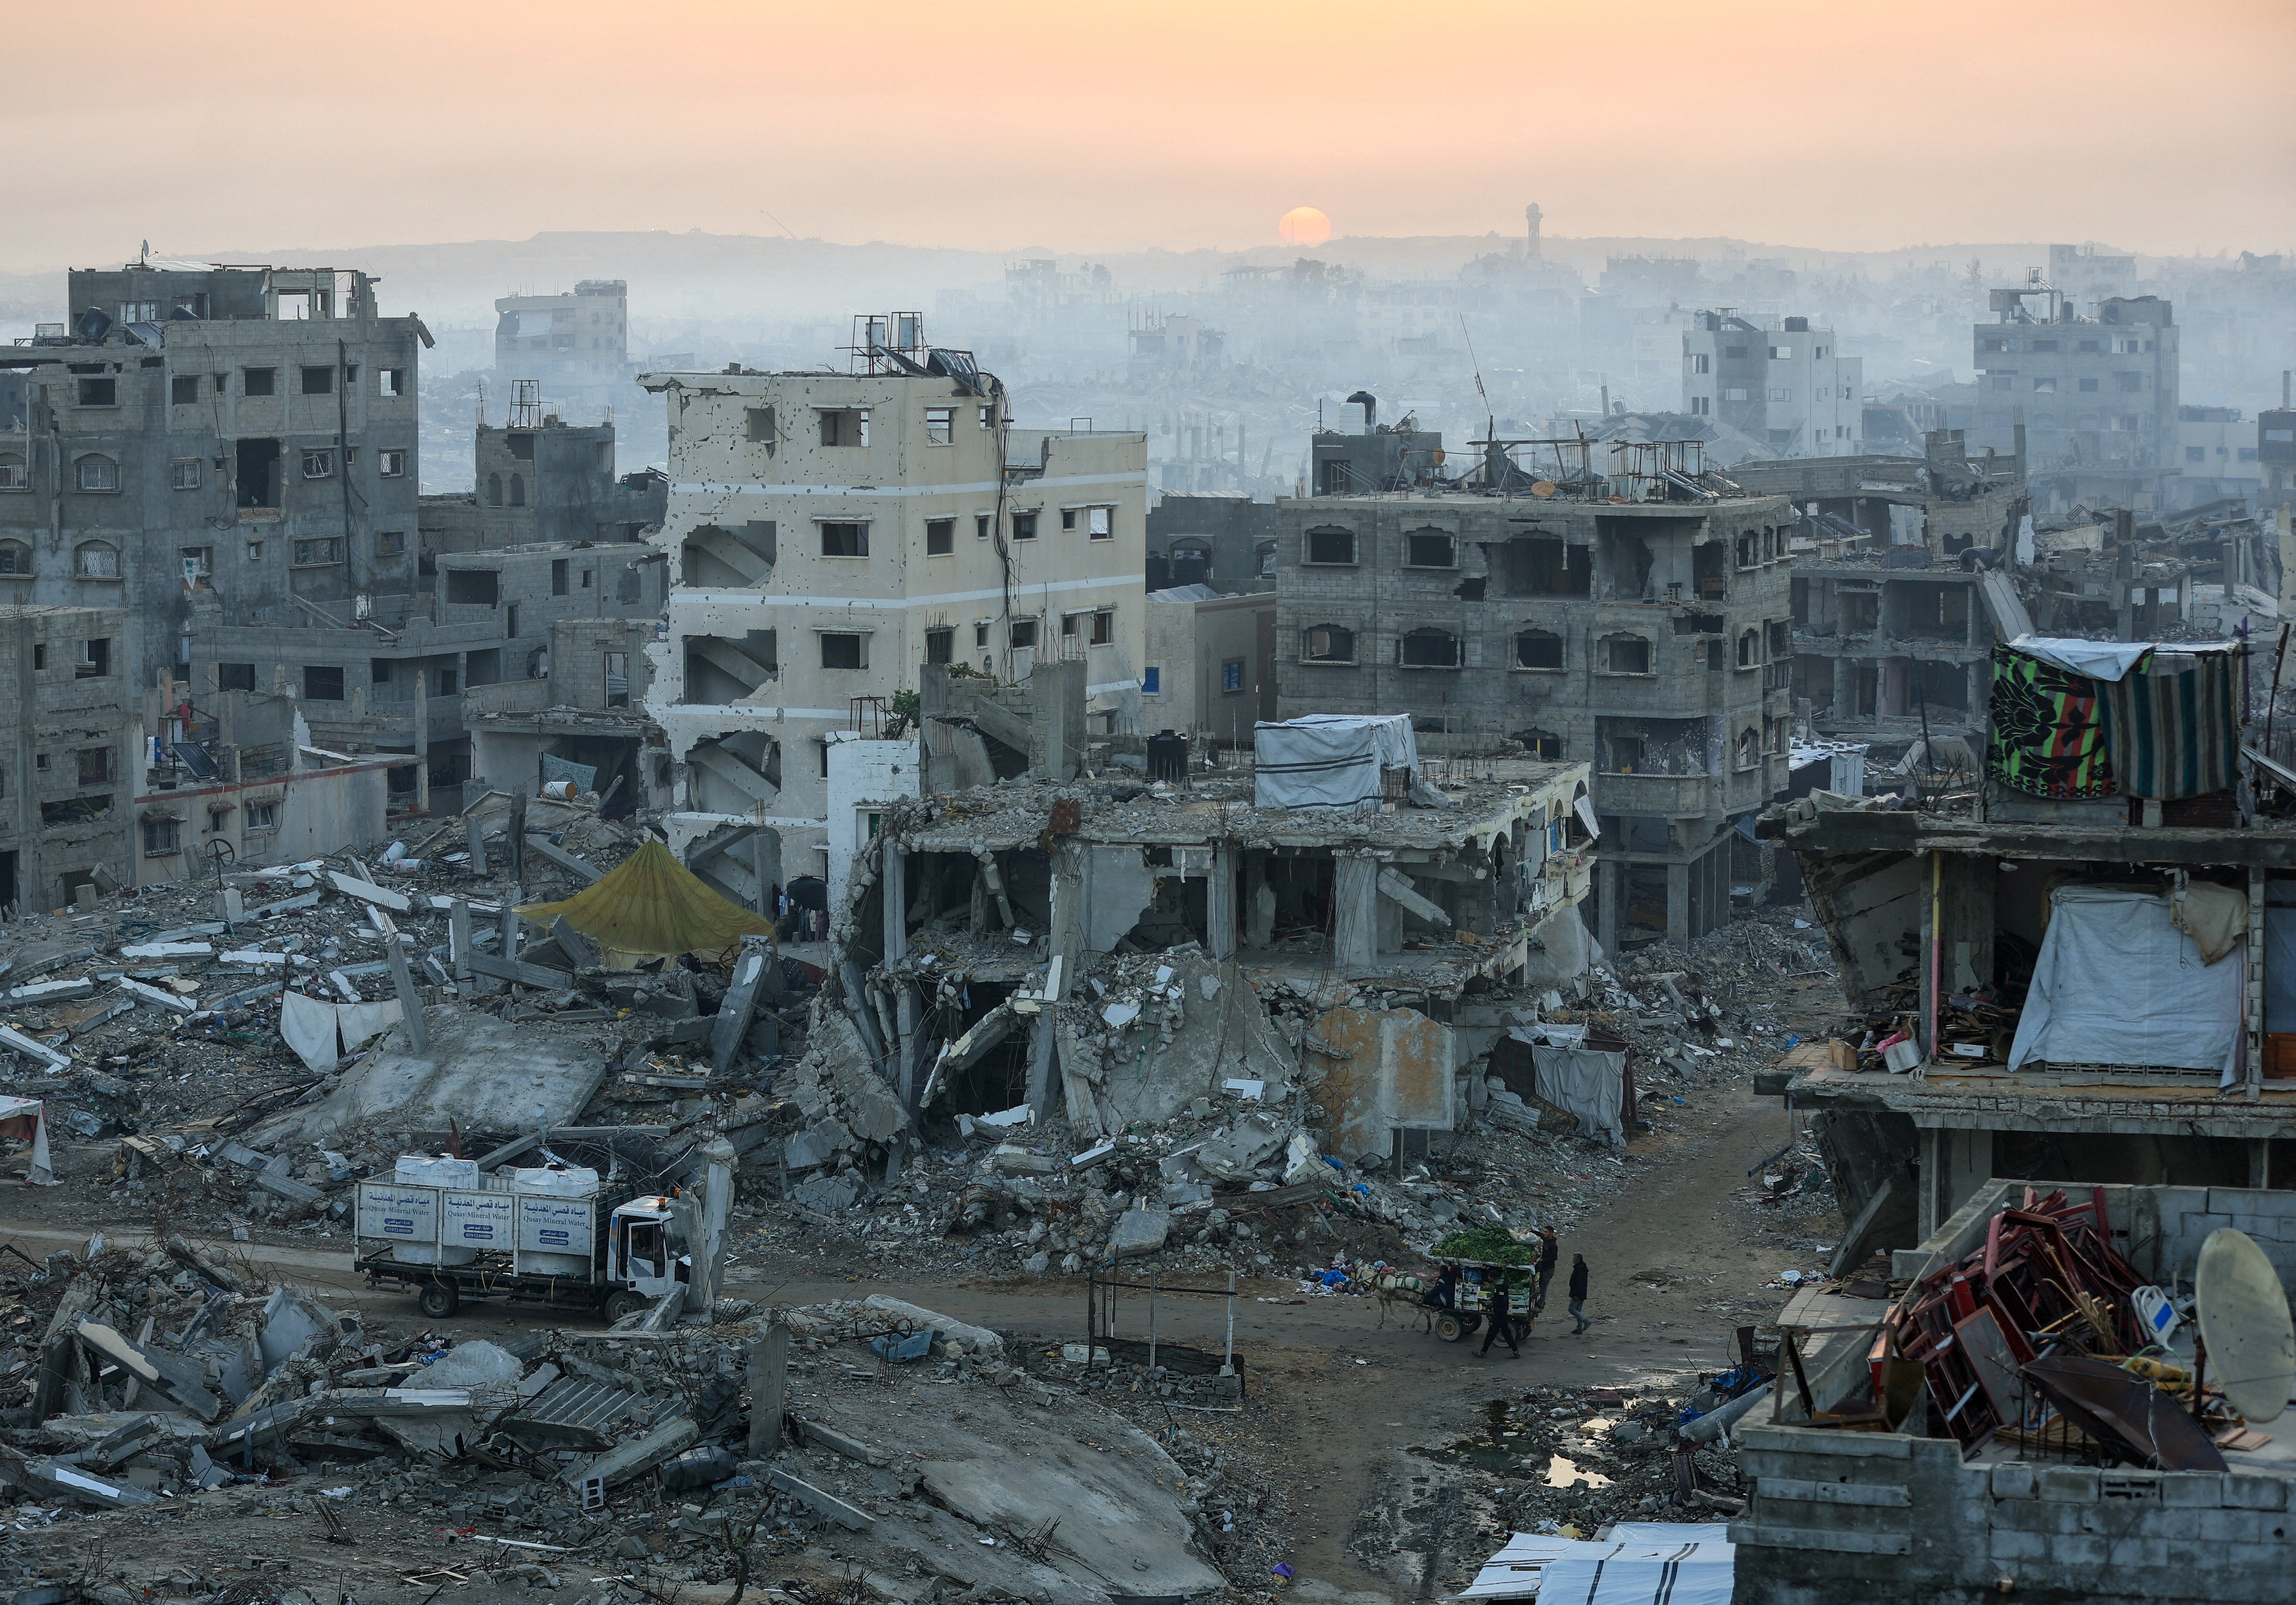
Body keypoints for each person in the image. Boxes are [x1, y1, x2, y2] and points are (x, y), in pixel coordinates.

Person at [1478, 1272, 1523, 1359]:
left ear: (1492, 1278)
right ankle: (1515, 1351)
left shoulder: (1500, 1287)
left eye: (1489, 1276)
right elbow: (1500, 1298)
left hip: (1500, 1314)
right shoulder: (1501, 1285)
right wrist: (1493, 1299)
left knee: (1492, 1333)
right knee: (1505, 1333)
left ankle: (1483, 1352)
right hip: (1501, 1314)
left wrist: (1493, 1303)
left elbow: (1503, 1302)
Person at [1534, 1227, 1560, 1311]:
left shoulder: (1553, 1245)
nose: (1544, 1233)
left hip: (1549, 1269)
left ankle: (1541, 1304)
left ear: (1551, 1233)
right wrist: (1530, 1231)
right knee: (1540, 1285)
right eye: (1544, 1232)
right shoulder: (1545, 1239)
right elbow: (1539, 1234)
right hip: (1543, 1268)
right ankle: (1540, 1301)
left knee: (1544, 1287)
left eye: (1546, 1232)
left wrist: (1543, 1260)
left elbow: (1555, 1258)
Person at [1568, 1253, 1591, 1335]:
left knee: (1572, 1309)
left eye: (1574, 1259)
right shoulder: (1583, 1268)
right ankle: (1579, 1328)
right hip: (1582, 1294)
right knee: (1578, 1311)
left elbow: (1578, 1284)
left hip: (1578, 1294)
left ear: (1578, 1260)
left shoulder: (1579, 1269)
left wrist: (1575, 1295)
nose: (1573, 1261)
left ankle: (1586, 1321)